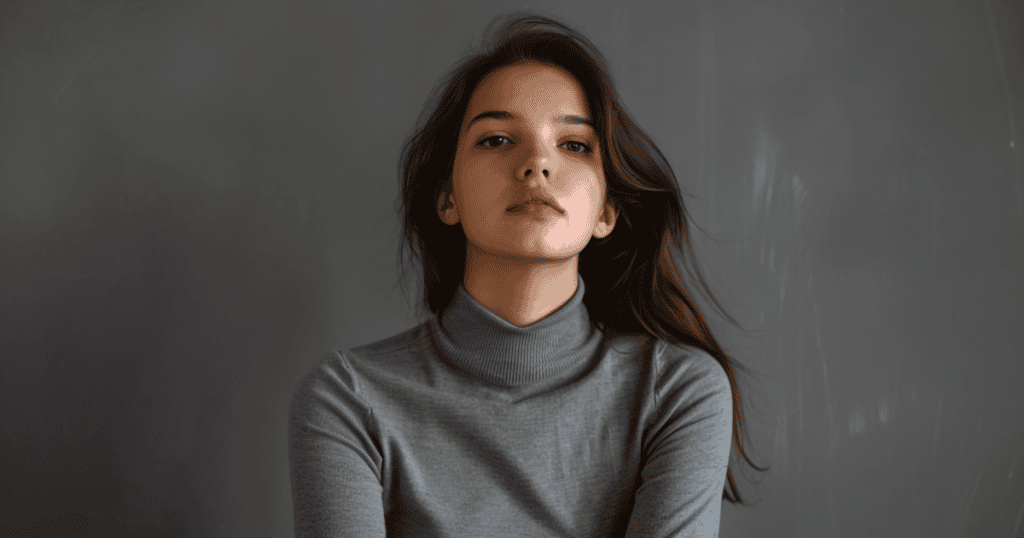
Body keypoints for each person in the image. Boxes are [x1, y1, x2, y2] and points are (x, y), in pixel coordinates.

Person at [290, 11, 766, 537]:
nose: (536, 164)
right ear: (447, 197)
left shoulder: (678, 391)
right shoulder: (349, 399)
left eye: (574, 145)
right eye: (496, 140)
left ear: (607, 211)